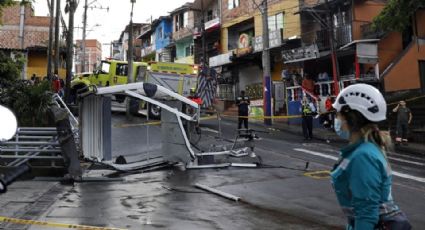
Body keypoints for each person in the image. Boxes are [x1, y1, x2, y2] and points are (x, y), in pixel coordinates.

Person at [331, 83, 411, 230]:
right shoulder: (364, 149)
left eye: (338, 113)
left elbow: (366, 213)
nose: (336, 118)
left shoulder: (363, 156)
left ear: (349, 117)